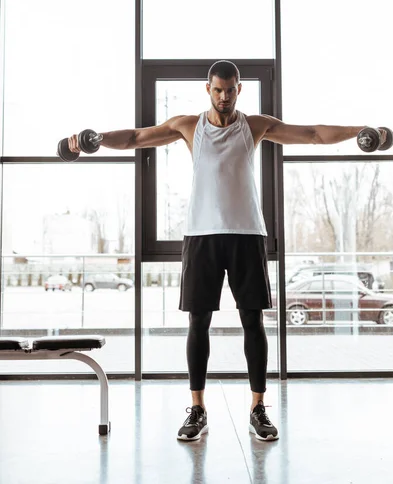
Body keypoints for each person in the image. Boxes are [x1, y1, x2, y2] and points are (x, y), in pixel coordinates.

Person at [68, 59, 368, 443]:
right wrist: (94, 138)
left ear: (239, 89)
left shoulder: (255, 125)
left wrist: (359, 131)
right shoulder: (187, 126)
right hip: (201, 235)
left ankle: (258, 409)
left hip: (246, 234)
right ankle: (198, 409)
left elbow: (311, 133)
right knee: (198, 324)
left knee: (252, 321)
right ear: (207, 89)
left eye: (230, 90)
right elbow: (136, 138)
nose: (224, 96)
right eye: (217, 90)